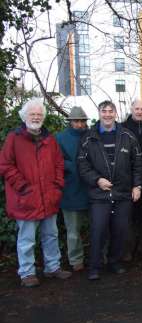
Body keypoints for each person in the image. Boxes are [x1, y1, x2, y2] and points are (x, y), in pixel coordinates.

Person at [0, 98, 71, 287]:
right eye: (32, 114)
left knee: (51, 235)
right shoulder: (14, 139)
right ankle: (27, 272)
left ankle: (53, 267)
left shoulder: (50, 140)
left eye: (39, 114)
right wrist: (22, 186)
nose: (36, 117)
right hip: (25, 199)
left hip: (49, 197)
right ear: (24, 116)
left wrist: (57, 185)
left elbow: (59, 163)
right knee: (27, 239)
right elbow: (5, 165)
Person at [78, 100, 142, 280]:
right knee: (98, 230)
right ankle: (95, 266)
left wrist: (137, 186)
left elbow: (137, 163)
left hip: (122, 193)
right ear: (99, 113)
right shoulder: (89, 137)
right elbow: (82, 165)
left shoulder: (127, 136)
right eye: (104, 111)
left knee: (120, 230)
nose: (107, 114)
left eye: (110, 111)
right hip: (99, 194)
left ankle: (115, 261)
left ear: (115, 113)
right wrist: (97, 180)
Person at [55, 106, 89, 272]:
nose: (79, 124)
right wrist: (75, 166)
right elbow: (55, 162)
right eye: (76, 121)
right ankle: (76, 259)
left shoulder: (93, 136)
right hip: (71, 190)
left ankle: (100, 255)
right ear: (70, 122)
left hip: (92, 190)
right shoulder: (60, 138)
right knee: (73, 231)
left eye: (82, 121)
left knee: (100, 227)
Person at [121, 99, 142, 260]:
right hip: (128, 178)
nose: (140, 111)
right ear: (131, 109)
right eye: (137, 109)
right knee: (128, 215)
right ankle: (128, 248)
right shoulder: (123, 128)